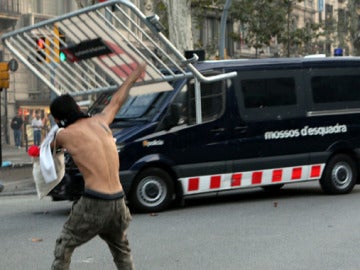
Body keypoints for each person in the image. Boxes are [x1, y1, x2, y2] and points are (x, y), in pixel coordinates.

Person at [50, 63, 146, 270]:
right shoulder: (102, 121)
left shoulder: (64, 135)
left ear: (58, 119)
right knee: (121, 250)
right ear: (78, 108)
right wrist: (133, 76)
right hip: (119, 201)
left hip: (95, 202)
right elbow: (117, 100)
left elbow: (47, 152)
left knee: (64, 244)